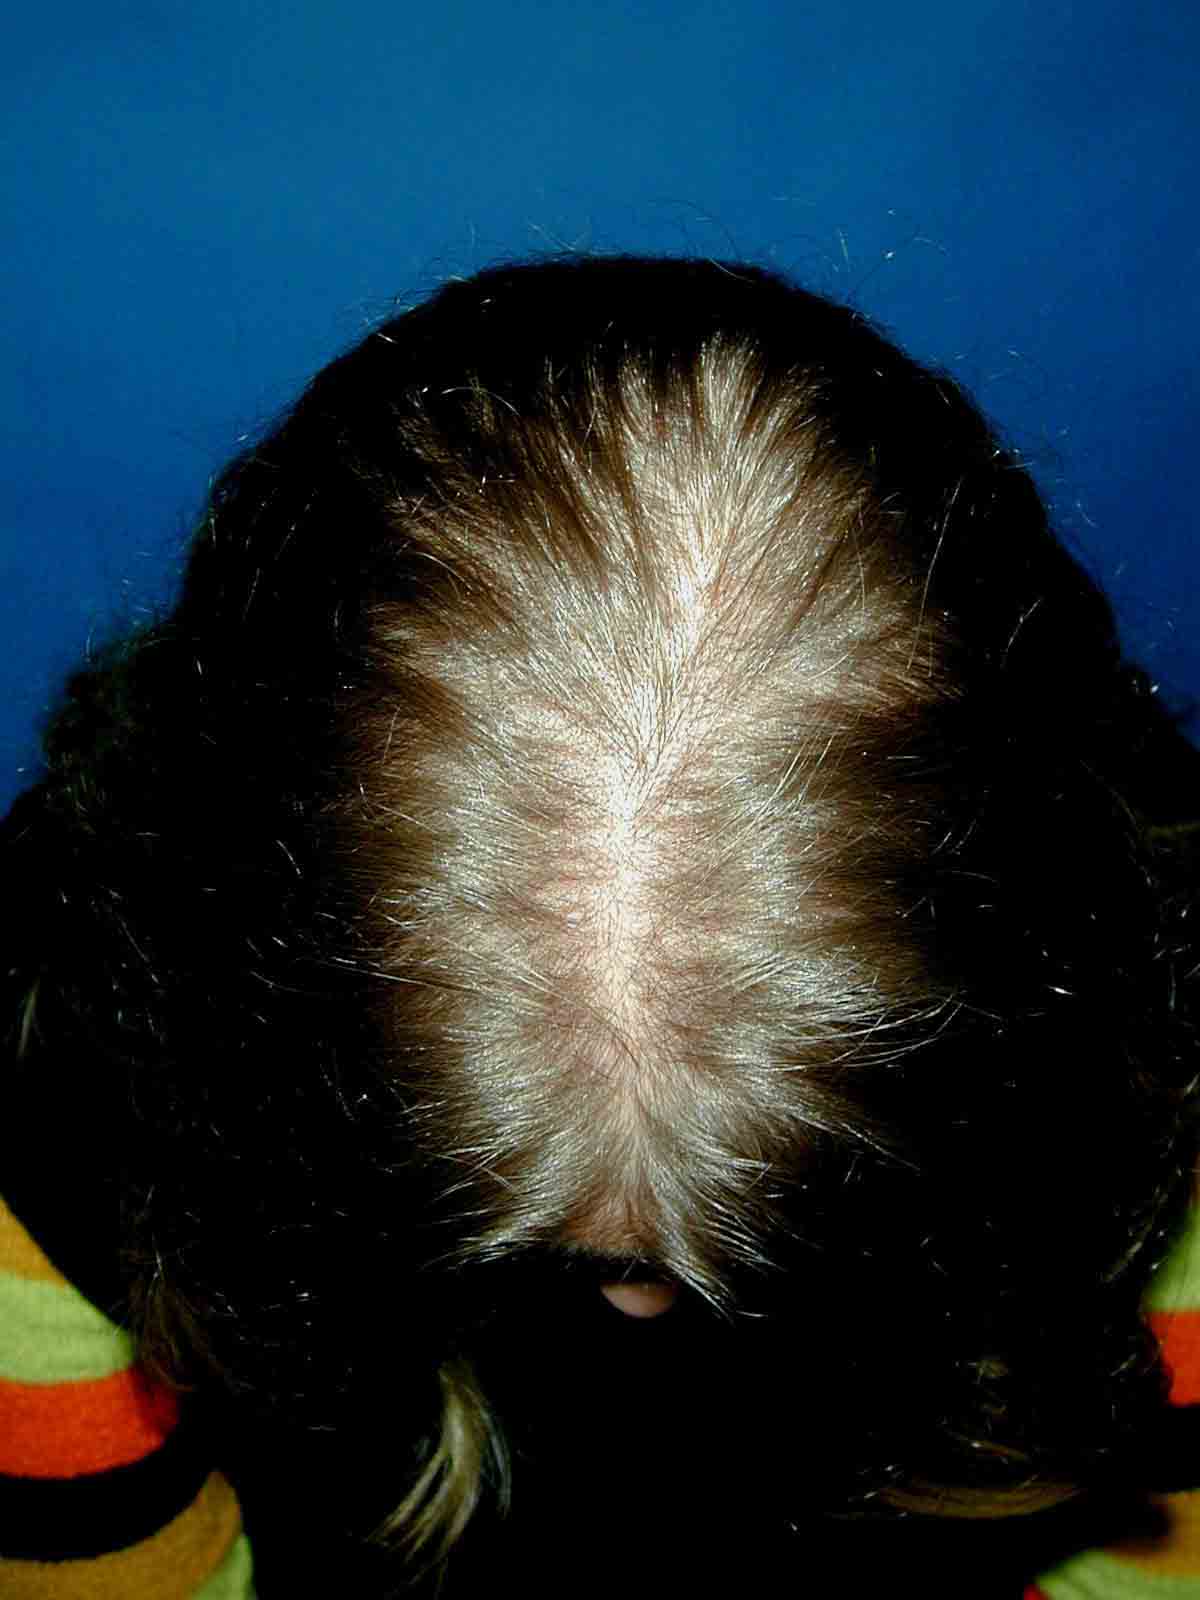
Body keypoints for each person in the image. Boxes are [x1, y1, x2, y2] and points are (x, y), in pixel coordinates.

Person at [1, 255, 1198, 1598]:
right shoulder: (47, 1085)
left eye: (798, 1230)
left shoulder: (1162, 1043)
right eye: (593, 1259)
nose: (640, 1309)